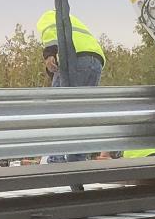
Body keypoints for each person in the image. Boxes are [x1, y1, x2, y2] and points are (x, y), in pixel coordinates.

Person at [39, 10, 106, 164]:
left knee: (57, 109)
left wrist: (49, 54)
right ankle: (78, 158)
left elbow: (49, 31)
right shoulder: (73, 22)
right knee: (82, 113)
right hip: (95, 63)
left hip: (75, 58)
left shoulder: (48, 16)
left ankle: (56, 158)